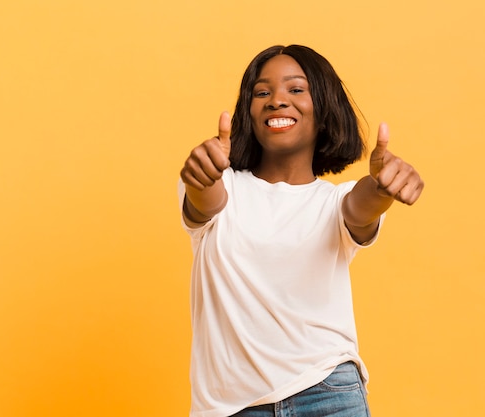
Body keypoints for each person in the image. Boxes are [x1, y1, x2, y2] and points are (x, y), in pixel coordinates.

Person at [177, 45, 424, 417]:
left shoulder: (334, 203)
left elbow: (360, 208)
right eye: (262, 92)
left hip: (328, 394)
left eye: (296, 90)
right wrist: (200, 171)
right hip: (230, 408)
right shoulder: (224, 187)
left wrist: (382, 186)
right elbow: (203, 196)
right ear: (249, 111)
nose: (277, 100)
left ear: (323, 109)